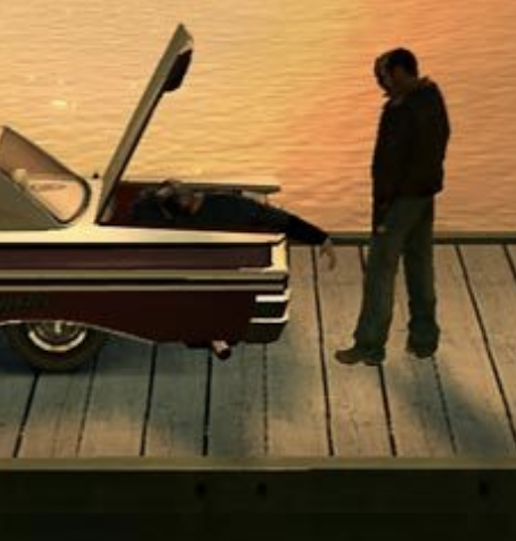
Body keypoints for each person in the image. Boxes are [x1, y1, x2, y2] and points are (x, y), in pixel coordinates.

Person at [335, 46, 451, 364]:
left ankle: (370, 344)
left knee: (380, 271)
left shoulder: (403, 109)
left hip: (400, 201)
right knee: (419, 265)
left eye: (382, 76)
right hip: (424, 195)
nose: (380, 84)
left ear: (399, 73)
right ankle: (424, 339)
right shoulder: (431, 98)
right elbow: (438, 145)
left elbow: (393, 162)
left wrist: (385, 206)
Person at [129, 180, 337, 268]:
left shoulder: (161, 216)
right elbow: (278, 219)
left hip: (203, 259)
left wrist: (319, 237)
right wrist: (319, 237)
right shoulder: (230, 206)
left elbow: (279, 219)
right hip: (215, 257)